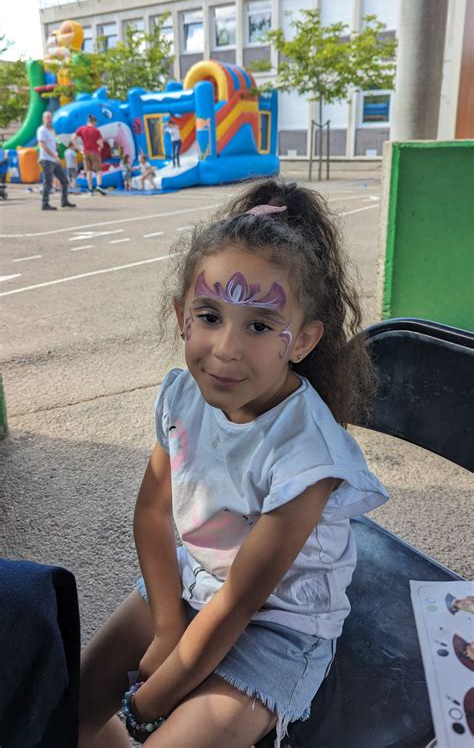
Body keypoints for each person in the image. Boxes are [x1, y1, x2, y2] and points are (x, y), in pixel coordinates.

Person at [78, 178, 388, 748]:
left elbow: (242, 603)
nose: (225, 349)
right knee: (69, 701)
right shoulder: (182, 397)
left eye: (260, 325)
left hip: (280, 624)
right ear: (181, 316)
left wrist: (147, 704)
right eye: (210, 315)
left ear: (302, 340)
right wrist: (169, 623)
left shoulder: (307, 457)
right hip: (193, 578)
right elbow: (152, 513)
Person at [36, 111, 75, 211]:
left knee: (64, 181)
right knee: (48, 182)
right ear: (43, 119)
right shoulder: (42, 130)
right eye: (47, 118)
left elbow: (55, 144)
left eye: (50, 118)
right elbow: (43, 147)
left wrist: (56, 152)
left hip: (53, 160)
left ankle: (64, 201)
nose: (49, 120)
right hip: (46, 159)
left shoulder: (51, 131)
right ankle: (45, 203)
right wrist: (54, 155)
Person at [72, 115, 106, 196]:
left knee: (89, 171)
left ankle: (90, 190)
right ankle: (99, 185)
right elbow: (101, 144)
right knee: (99, 170)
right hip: (95, 152)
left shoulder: (81, 129)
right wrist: (99, 148)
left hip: (86, 152)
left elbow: (73, 138)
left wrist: (79, 149)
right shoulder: (96, 131)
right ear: (93, 122)